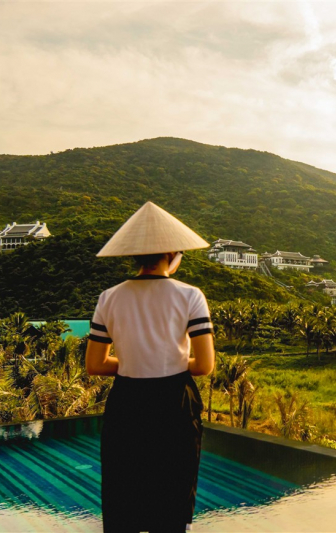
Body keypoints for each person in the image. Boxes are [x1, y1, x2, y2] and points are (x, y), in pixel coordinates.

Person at [85, 201, 216, 533]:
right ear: (171, 254)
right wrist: (166, 361)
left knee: (124, 499)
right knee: (170, 508)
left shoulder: (109, 298)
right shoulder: (191, 296)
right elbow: (204, 365)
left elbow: (95, 364)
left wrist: (135, 361)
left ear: (134, 255)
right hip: (175, 405)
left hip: (127, 405)